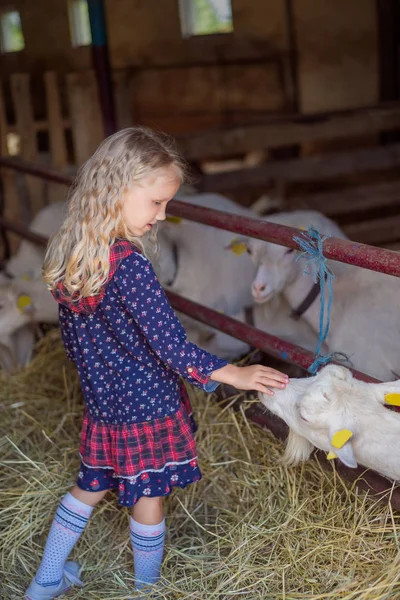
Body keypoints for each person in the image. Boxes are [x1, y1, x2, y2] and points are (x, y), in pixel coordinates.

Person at [25, 127, 288, 599]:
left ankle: (45, 580)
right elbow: (173, 347)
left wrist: (101, 380)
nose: (162, 216)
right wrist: (237, 374)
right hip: (147, 406)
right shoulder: (129, 265)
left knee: (87, 487)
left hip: (105, 405)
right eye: (156, 203)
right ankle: (146, 590)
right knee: (149, 498)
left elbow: (72, 341)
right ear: (116, 190)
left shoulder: (72, 256)